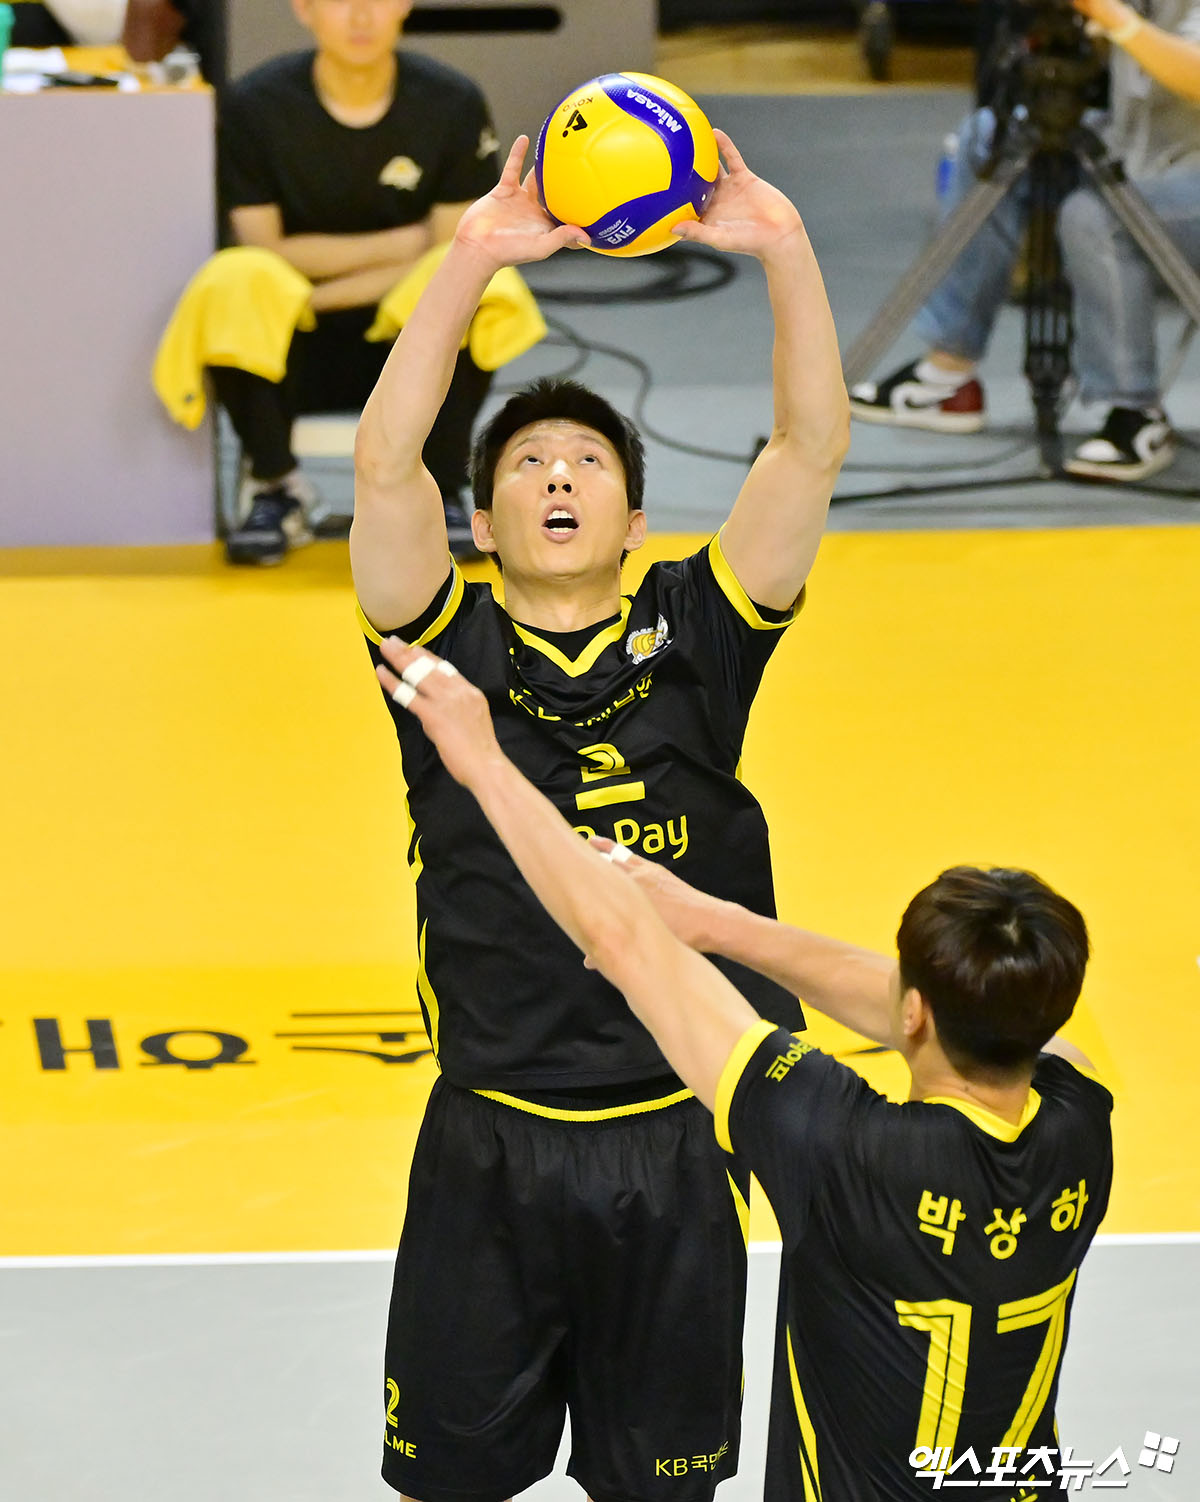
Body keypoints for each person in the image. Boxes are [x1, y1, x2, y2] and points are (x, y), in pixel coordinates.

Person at [351, 130, 848, 1500]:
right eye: (526, 464)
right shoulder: (437, 644)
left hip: (680, 1140)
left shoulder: (702, 629)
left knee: (663, 1486)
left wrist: (783, 243)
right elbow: (386, 467)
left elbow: (809, 447)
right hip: (488, 1143)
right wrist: (470, 257)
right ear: (483, 521)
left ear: (636, 518)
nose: (559, 476)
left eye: (586, 460)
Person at [374, 632, 1114, 1500]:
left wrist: (485, 763)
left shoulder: (843, 1151)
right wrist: (716, 924)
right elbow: (977, 1018)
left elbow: (620, 941)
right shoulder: (1080, 1122)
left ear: (913, 1013)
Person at [850, 0, 1200, 482]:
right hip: (1142, 150)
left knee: (1096, 217)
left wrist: (1112, 17)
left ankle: (1133, 411)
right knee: (988, 139)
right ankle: (949, 376)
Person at [214, 0, 501, 564]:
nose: (362, 15)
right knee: (232, 283)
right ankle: (276, 488)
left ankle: (441, 488)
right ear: (304, 8)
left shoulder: (452, 101)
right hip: (297, 348)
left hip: (409, 343)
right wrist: (408, 244)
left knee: (488, 287)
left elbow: (458, 252)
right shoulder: (256, 105)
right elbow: (264, 249)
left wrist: (318, 289)